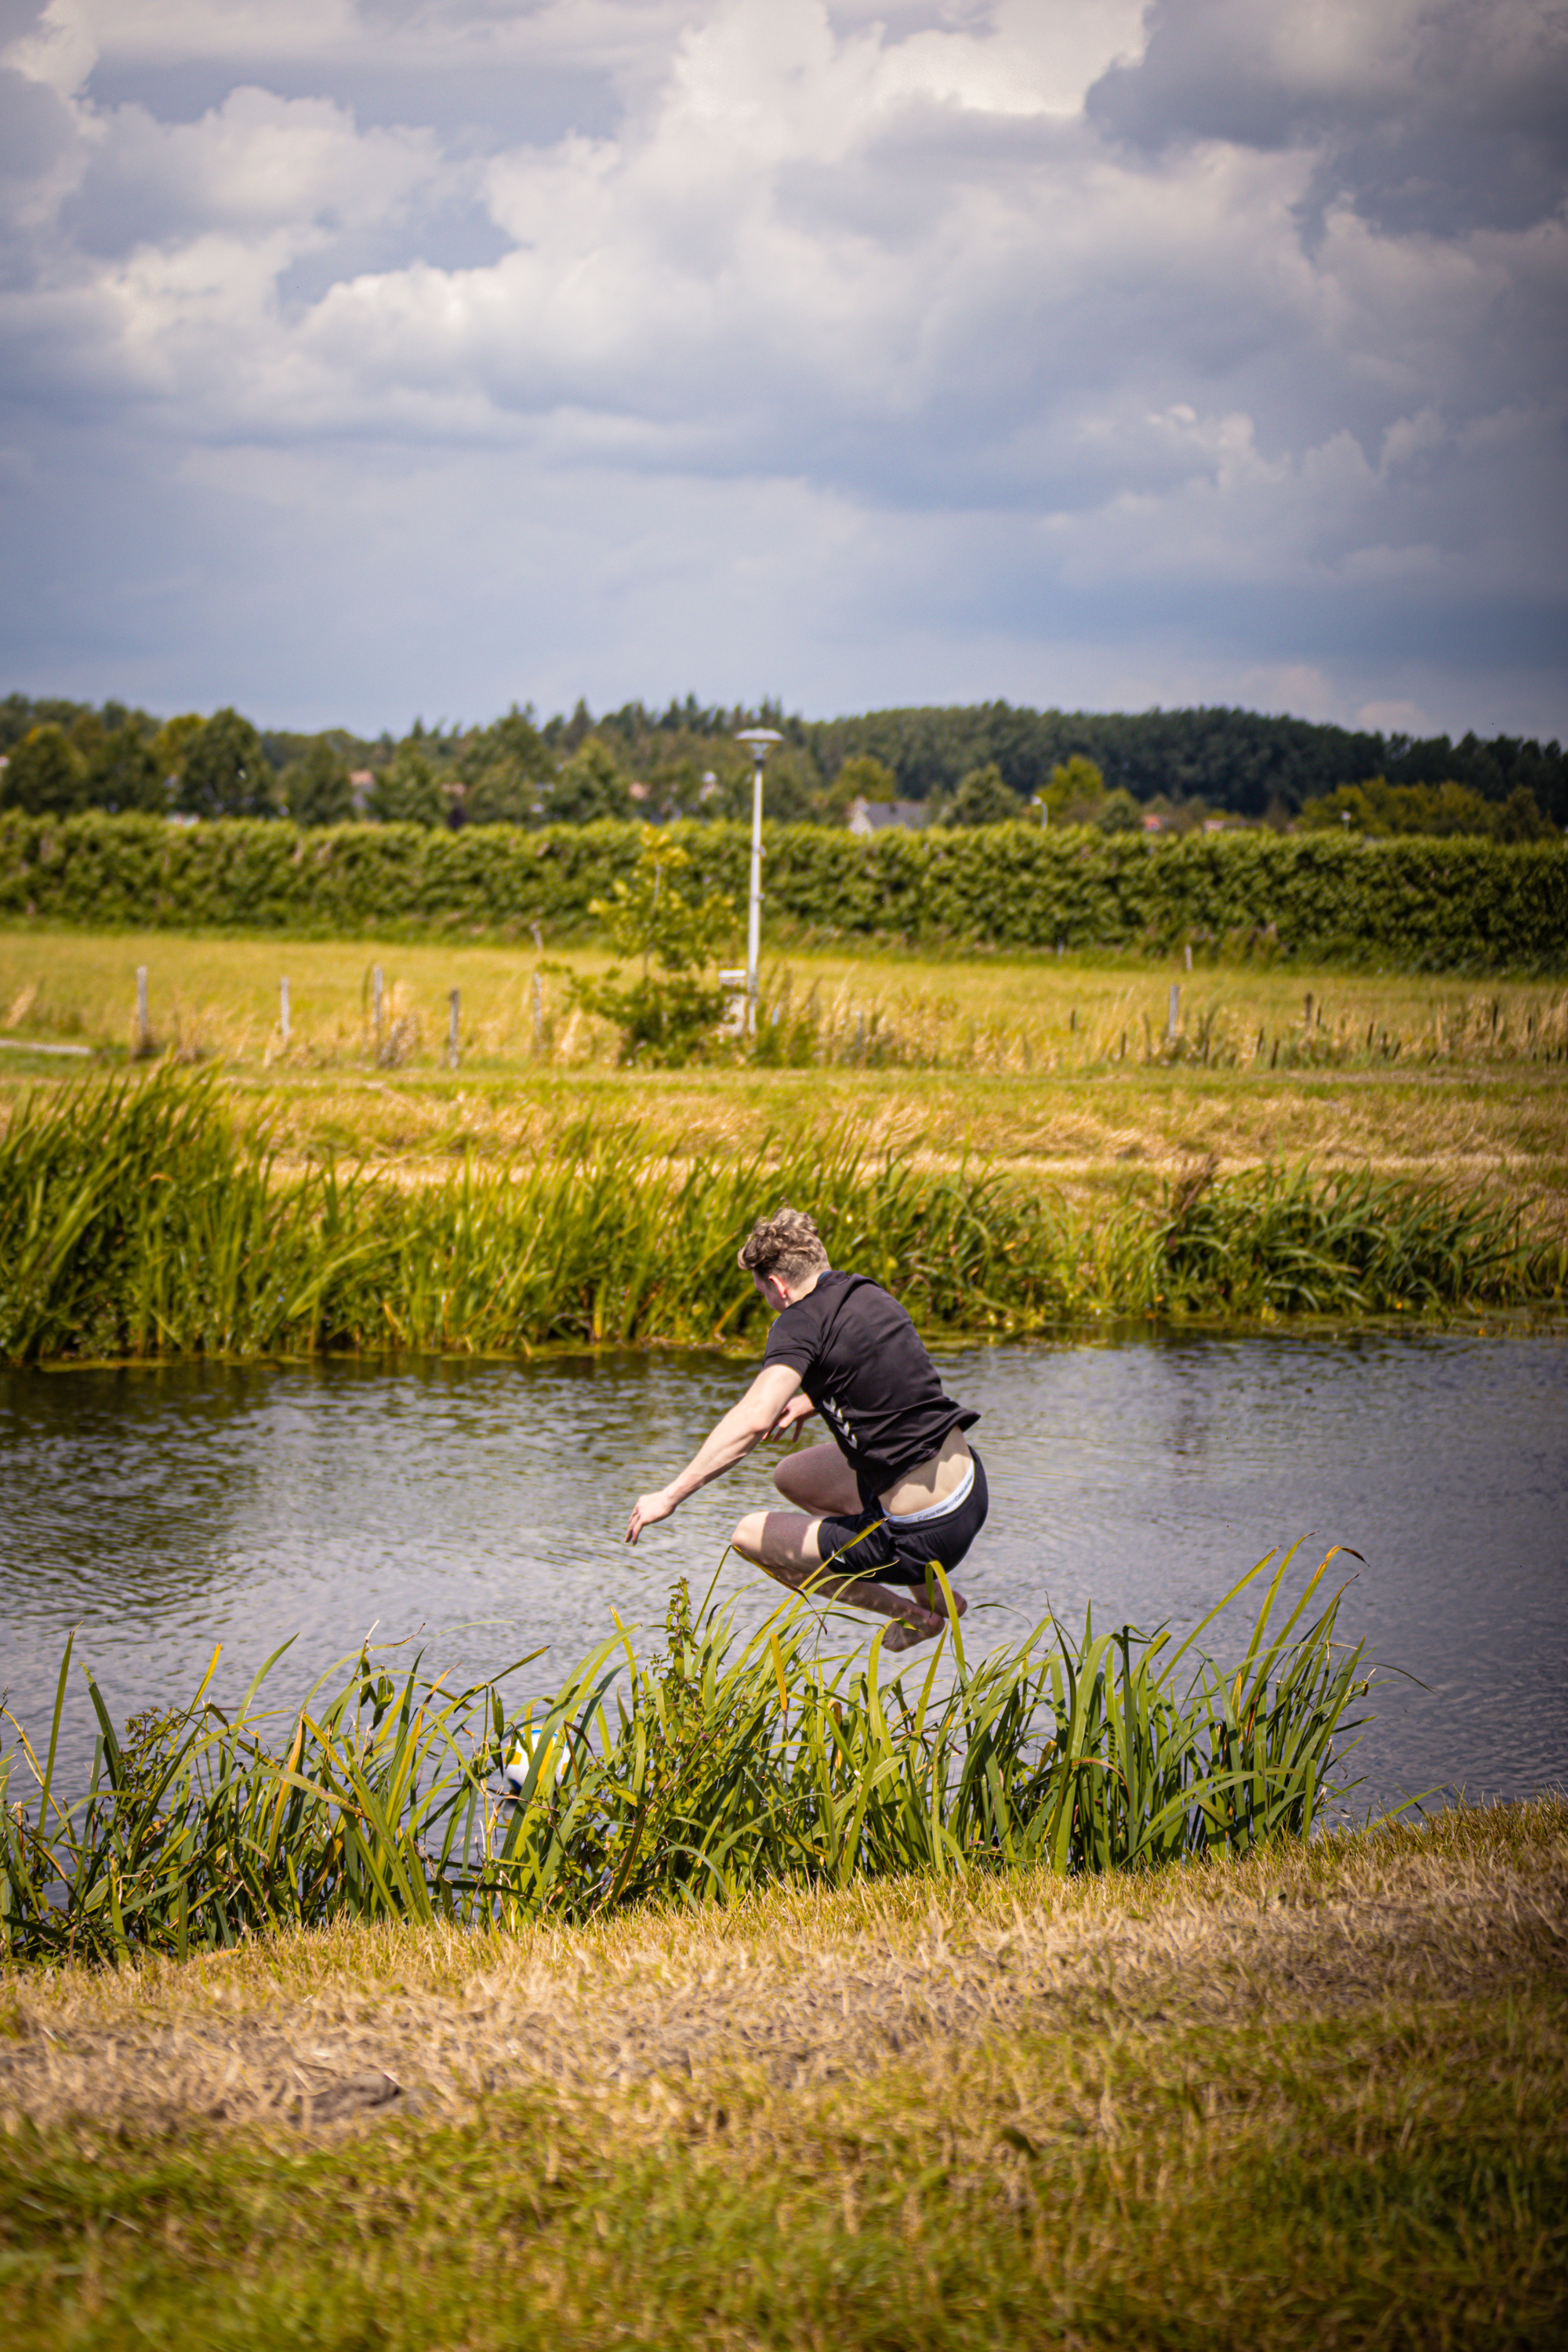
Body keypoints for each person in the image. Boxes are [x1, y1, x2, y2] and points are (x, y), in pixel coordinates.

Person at [625, 1206, 987, 1650]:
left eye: (762, 1292)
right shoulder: (866, 1293)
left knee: (747, 1537)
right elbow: (880, 1375)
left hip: (918, 1537)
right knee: (791, 1476)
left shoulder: (795, 1323)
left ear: (776, 1286)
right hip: (970, 1489)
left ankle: (917, 1617)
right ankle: (941, 1598)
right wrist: (811, 1401)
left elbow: (754, 1419)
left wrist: (669, 1495)